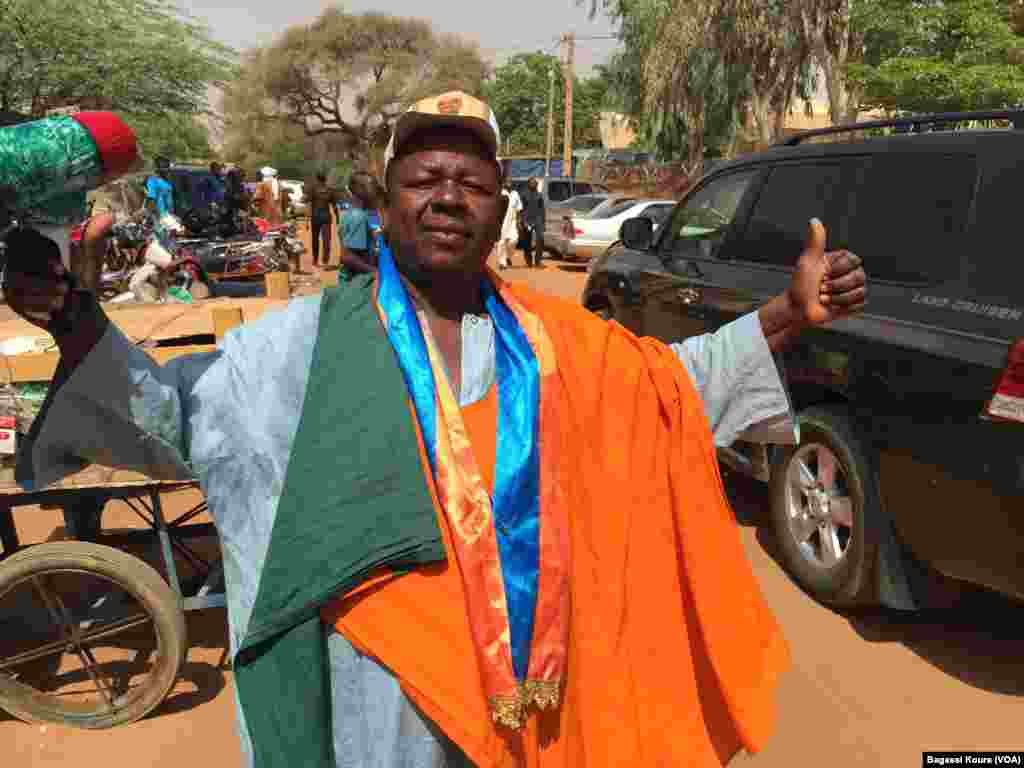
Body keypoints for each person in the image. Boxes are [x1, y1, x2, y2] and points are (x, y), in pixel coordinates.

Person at [5, 91, 866, 768]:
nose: (448, 199)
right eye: (424, 182)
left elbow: (674, 389)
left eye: (473, 184)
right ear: (385, 204)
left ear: (500, 208)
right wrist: (75, 320)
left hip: (535, 674)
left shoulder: (566, 345)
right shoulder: (293, 346)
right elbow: (177, 422)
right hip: (379, 684)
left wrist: (787, 315)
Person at [337, 172, 375, 279]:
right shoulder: (358, 217)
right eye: (372, 187)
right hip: (357, 280)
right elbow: (347, 256)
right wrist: (374, 271)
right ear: (361, 190)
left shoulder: (349, 212)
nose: (375, 192)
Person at [307, 171, 338, 268]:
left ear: (317, 179)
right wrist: (338, 218)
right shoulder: (330, 190)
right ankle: (325, 261)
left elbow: (309, 204)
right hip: (326, 217)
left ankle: (315, 260)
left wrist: (308, 219)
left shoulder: (313, 189)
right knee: (327, 240)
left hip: (315, 217)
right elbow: (335, 206)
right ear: (325, 179)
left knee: (315, 239)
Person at [496, 180, 522, 270]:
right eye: (507, 182)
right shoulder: (501, 193)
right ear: (503, 184)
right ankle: (502, 263)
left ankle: (508, 257)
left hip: (513, 221)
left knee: (514, 240)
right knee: (502, 242)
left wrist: (519, 221)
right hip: (503, 221)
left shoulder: (515, 194)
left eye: (510, 182)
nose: (509, 183)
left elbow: (519, 208)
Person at [520, 176, 545, 267]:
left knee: (540, 239)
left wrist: (543, 223)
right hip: (527, 220)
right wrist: (523, 221)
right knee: (527, 241)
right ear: (528, 184)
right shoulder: (523, 194)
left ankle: (538, 261)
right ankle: (528, 261)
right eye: (532, 182)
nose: (534, 184)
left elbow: (542, 209)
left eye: (535, 183)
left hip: (538, 219)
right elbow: (520, 209)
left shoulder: (539, 195)